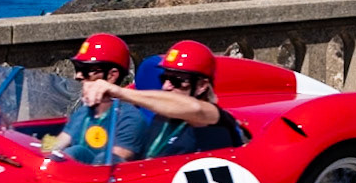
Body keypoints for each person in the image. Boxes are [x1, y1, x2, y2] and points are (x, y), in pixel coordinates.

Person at [79, 39, 243, 158]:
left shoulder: (214, 118)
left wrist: (119, 92)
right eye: (164, 78)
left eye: (177, 81)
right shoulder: (163, 119)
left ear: (201, 86)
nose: (166, 86)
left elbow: (196, 109)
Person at [53, 33, 146, 163]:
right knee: (73, 152)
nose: (78, 76)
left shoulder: (129, 118)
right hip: (72, 178)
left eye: (86, 70)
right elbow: (57, 145)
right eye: (78, 68)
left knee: (81, 153)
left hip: (104, 180)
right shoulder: (83, 112)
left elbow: (111, 166)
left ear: (112, 76)